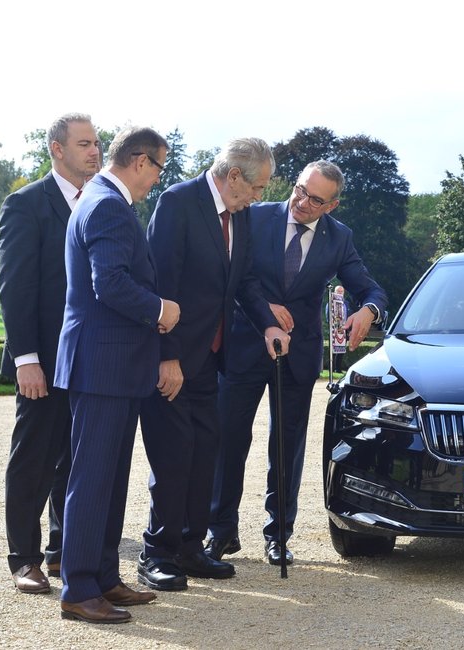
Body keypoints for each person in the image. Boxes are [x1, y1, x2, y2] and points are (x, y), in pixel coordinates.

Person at [207, 160, 387, 566]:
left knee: (286, 448)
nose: (302, 202)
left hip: (299, 356)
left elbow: (369, 287)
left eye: (315, 199)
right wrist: (265, 311)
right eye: (300, 190)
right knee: (228, 440)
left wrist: (368, 311)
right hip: (245, 344)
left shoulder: (339, 239)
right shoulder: (253, 216)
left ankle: (278, 536)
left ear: (332, 206)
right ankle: (219, 532)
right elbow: (234, 277)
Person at [137, 138, 290, 591]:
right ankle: (156, 553)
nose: (261, 197)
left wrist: (267, 325)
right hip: (173, 356)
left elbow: (242, 279)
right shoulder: (178, 203)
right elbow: (158, 282)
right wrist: (167, 357)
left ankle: (189, 547)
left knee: (206, 452)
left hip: (210, 359)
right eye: (258, 186)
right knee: (172, 455)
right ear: (234, 176)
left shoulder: (238, 216)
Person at [53, 126, 180, 624]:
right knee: (92, 479)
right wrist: (161, 311)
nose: (156, 179)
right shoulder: (107, 203)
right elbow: (108, 284)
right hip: (103, 364)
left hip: (112, 365)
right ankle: (79, 588)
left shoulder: (101, 198)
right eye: (159, 168)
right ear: (142, 160)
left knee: (107, 478)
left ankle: (102, 577)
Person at [0, 113, 100, 594]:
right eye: (84, 143)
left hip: (89, 360)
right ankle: (23, 558)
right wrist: (26, 359)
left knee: (74, 460)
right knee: (34, 458)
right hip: (42, 359)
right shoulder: (26, 205)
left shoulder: (100, 203)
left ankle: (63, 553)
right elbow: (15, 289)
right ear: (57, 149)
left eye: (97, 143)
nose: (94, 151)